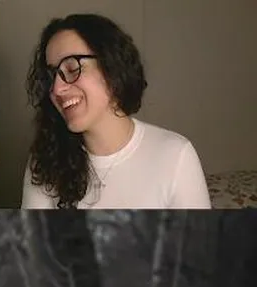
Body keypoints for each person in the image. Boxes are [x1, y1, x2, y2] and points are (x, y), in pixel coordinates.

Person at [21, 13, 211, 210]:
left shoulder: (176, 157)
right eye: (51, 76)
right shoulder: (45, 161)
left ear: (111, 67)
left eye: (72, 69)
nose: (57, 89)